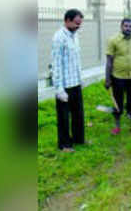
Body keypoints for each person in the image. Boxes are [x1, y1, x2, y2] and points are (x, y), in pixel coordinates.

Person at [51, 9, 85, 152]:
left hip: (75, 82)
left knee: (78, 114)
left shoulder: (74, 36)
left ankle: (78, 139)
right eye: (76, 23)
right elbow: (56, 64)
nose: (79, 26)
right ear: (67, 20)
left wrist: (80, 79)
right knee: (64, 117)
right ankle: (64, 144)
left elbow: (76, 61)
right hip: (64, 86)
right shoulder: (59, 38)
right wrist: (59, 89)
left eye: (80, 23)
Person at [105, 18, 131, 134]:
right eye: (126, 26)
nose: (128, 28)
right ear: (121, 27)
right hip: (117, 77)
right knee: (117, 103)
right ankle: (117, 126)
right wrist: (108, 79)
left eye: (130, 26)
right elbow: (109, 61)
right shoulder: (113, 40)